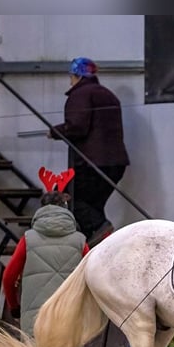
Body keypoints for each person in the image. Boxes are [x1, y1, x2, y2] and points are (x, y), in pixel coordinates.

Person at [2, 171, 90, 347]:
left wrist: (15, 307)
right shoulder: (79, 241)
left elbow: (9, 277)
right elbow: (93, 275)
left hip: (35, 314)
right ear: (65, 208)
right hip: (69, 312)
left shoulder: (28, 239)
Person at [49, 57, 130, 247]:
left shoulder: (80, 95)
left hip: (90, 162)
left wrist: (55, 131)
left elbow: (77, 126)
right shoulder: (108, 95)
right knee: (93, 205)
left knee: (66, 197)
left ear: (77, 75)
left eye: (71, 76)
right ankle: (97, 245)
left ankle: (100, 229)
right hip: (115, 163)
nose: (70, 81)